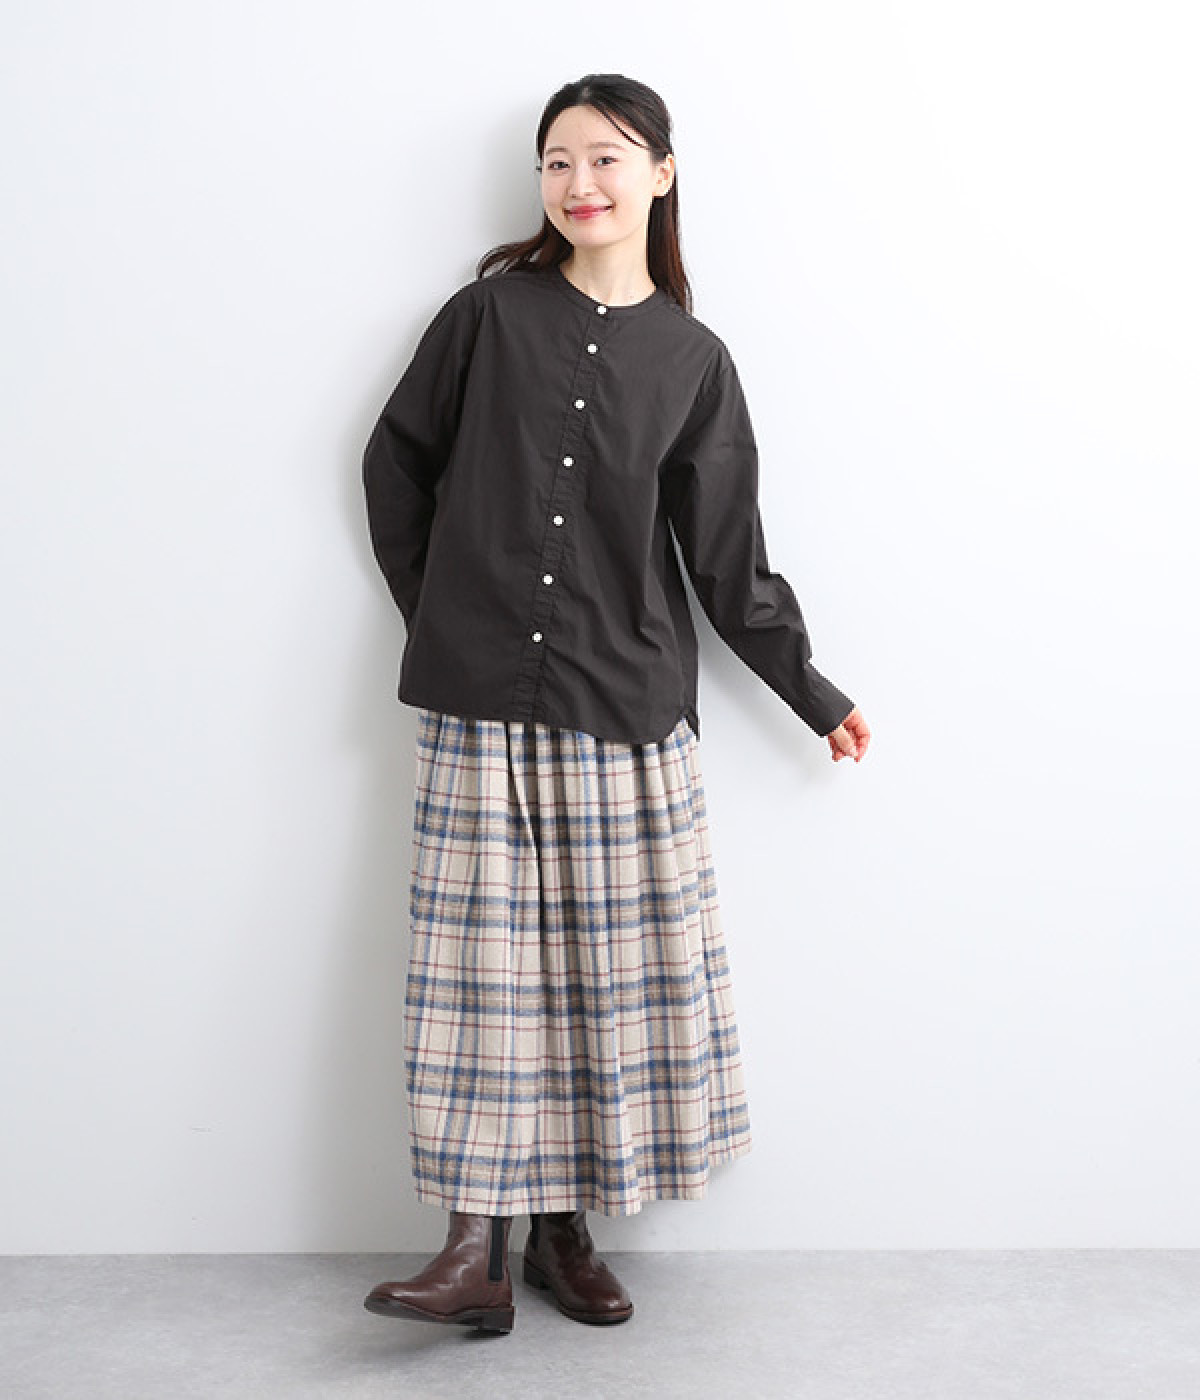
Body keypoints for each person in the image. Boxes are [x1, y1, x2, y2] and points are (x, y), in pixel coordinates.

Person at [359, 72, 872, 1337]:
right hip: (478, 704)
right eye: (556, 161)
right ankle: (472, 1248)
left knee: (602, 984)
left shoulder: (694, 360)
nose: (578, 183)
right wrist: (445, 610)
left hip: (623, 711)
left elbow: (727, 560)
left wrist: (811, 690)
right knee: (480, 982)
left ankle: (561, 1233)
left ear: (661, 173)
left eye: (604, 157)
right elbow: (396, 462)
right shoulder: (487, 317)